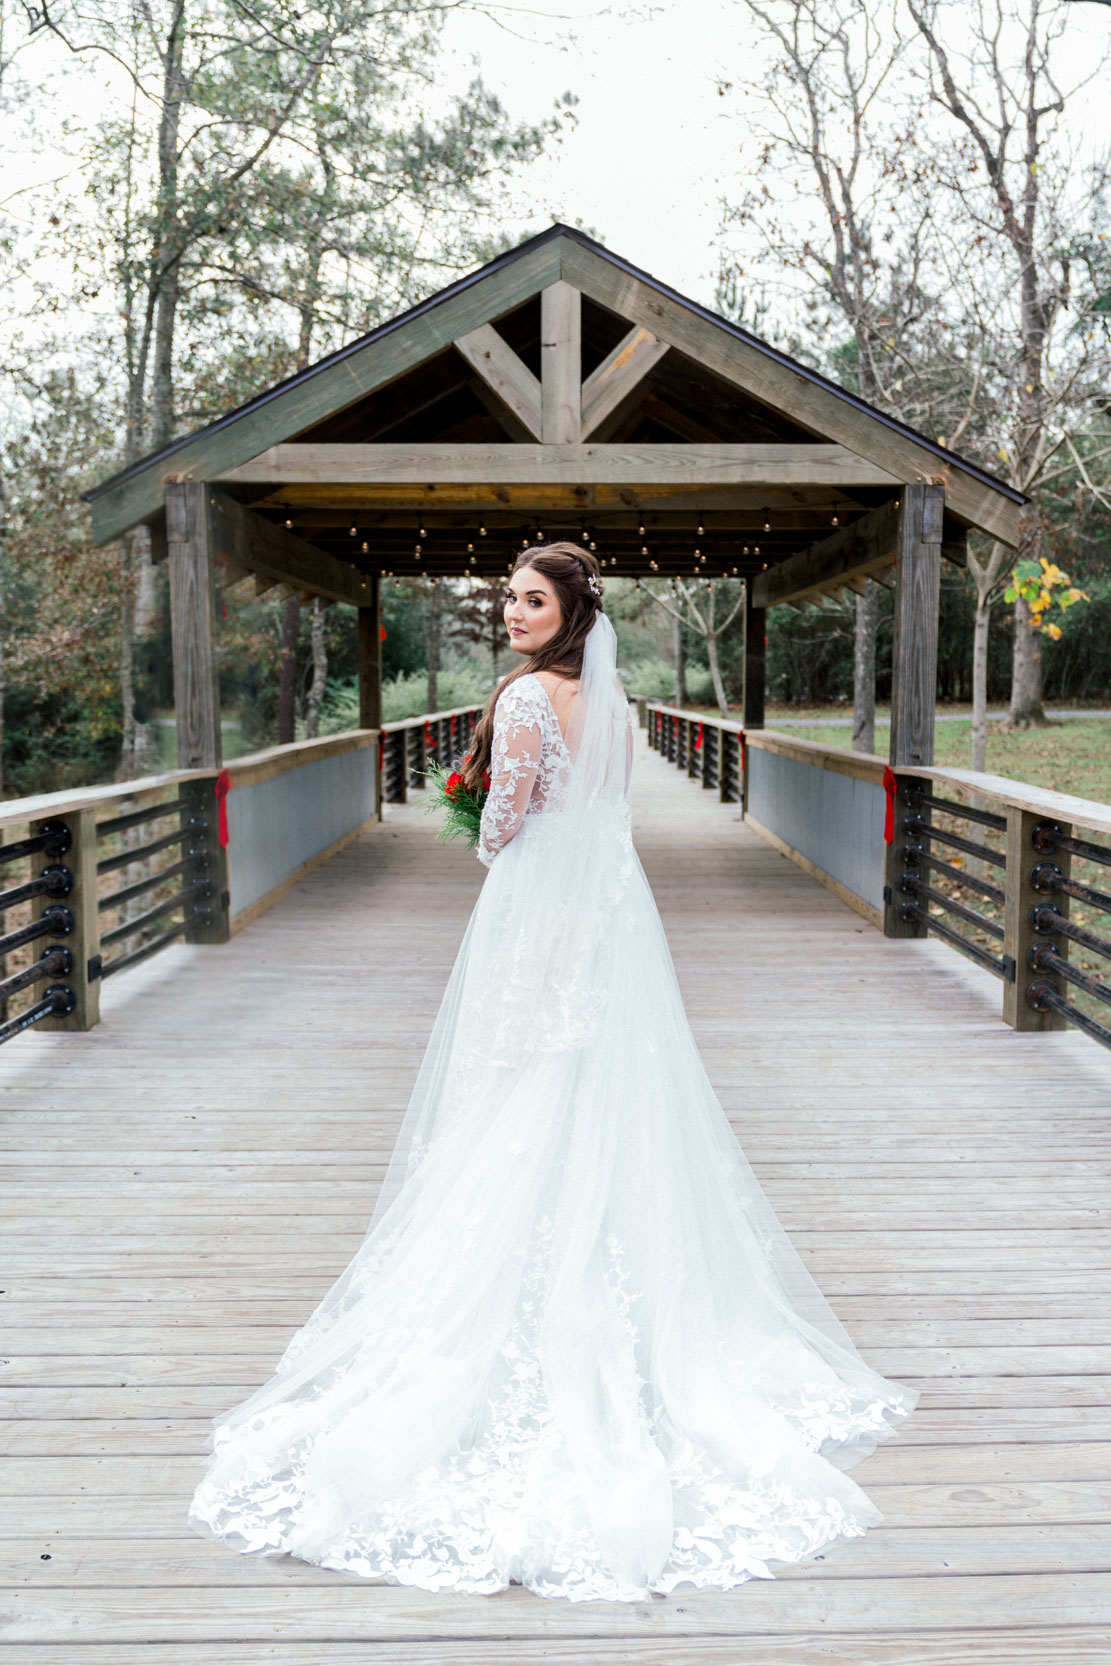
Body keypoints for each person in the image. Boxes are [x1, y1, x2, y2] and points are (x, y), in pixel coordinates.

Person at [188, 541, 917, 1603]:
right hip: (611, 913)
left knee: (516, 1080)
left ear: (570, 610)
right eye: (508, 599)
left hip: (538, 908)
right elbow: (605, 808)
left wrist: (477, 825)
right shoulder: (615, 706)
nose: (513, 613)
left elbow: (509, 817)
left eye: (530, 600)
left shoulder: (525, 699)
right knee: (604, 1088)